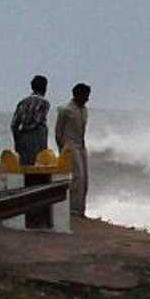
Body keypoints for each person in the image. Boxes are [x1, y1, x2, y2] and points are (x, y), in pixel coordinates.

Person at [55, 83, 90, 215]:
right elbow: (58, 132)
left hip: (81, 145)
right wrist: (62, 150)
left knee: (85, 179)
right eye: (85, 96)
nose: (87, 99)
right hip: (70, 145)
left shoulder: (84, 110)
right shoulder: (66, 110)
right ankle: (72, 209)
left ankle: (81, 209)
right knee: (78, 177)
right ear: (77, 95)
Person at [10, 75, 51, 166]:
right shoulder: (44, 103)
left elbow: (14, 125)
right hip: (38, 138)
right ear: (45, 88)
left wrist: (18, 139)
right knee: (39, 164)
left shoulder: (22, 102)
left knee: (25, 165)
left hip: (23, 139)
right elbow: (37, 121)